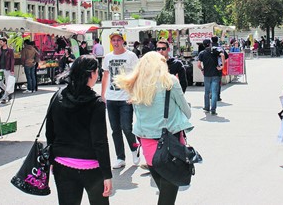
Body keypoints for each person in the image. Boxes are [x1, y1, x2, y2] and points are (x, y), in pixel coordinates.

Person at [115, 51, 193, 205]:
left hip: (148, 146)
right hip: (171, 145)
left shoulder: (135, 83)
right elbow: (187, 112)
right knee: (168, 196)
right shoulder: (169, 81)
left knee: (164, 192)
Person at [46, 55, 112, 205]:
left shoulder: (57, 96)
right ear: (91, 74)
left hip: (62, 165)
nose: (98, 75)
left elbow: (50, 131)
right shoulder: (96, 103)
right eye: (97, 72)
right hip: (92, 168)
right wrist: (107, 174)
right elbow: (100, 141)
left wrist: (51, 159)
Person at [101, 31, 140, 169]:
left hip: (126, 98)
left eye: (118, 40)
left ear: (123, 41)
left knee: (126, 128)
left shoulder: (131, 56)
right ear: (111, 42)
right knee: (115, 129)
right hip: (112, 97)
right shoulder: (108, 57)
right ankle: (120, 157)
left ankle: (135, 149)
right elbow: (105, 75)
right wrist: (103, 94)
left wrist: (134, 94)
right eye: (113, 40)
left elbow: (137, 76)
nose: (116, 42)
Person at [197, 38, 224, 115]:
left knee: (207, 92)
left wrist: (202, 69)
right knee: (214, 92)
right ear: (210, 43)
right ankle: (213, 109)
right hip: (215, 74)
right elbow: (222, 55)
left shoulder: (202, 53)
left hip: (207, 74)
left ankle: (206, 107)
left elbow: (198, 64)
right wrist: (222, 66)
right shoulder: (215, 51)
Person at [0, 37, 15, 104]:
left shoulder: (10, 50)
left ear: (5, 42)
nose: (0, 43)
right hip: (1, 69)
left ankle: (4, 98)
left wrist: (12, 69)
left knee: (8, 83)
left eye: (1, 42)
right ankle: (8, 94)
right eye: (0, 42)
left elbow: (12, 60)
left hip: (7, 69)